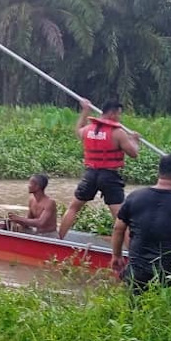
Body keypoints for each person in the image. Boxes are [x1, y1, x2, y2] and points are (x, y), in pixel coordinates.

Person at [110, 154, 171, 293]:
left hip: (137, 273)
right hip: (169, 276)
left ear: (159, 173)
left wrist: (116, 256)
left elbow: (118, 229)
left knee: (133, 310)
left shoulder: (134, 197)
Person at [58, 99, 140, 239]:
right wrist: (134, 140)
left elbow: (78, 130)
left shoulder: (88, 130)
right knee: (120, 218)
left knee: (73, 207)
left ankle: (59, 239)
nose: (119, 118)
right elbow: (133, 153)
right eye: (119, 114)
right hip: (110, 176)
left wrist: (85, 111)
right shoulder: (118, 133)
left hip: (90, 174)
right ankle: (131, 253)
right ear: (113, 113)